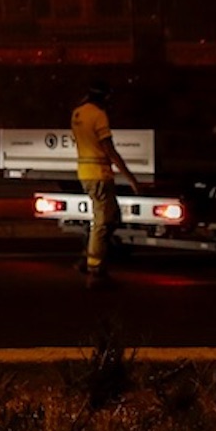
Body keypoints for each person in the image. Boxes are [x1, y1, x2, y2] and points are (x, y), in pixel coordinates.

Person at [72, 80, 141, 288]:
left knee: (111, 218)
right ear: (104, 97)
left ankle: (87, 257)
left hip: (85, 174)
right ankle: (96, 271)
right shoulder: (98, 115)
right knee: (102, 223)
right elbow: (109, 150)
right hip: (100, 175)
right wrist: (131, 178)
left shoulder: (78, 113)